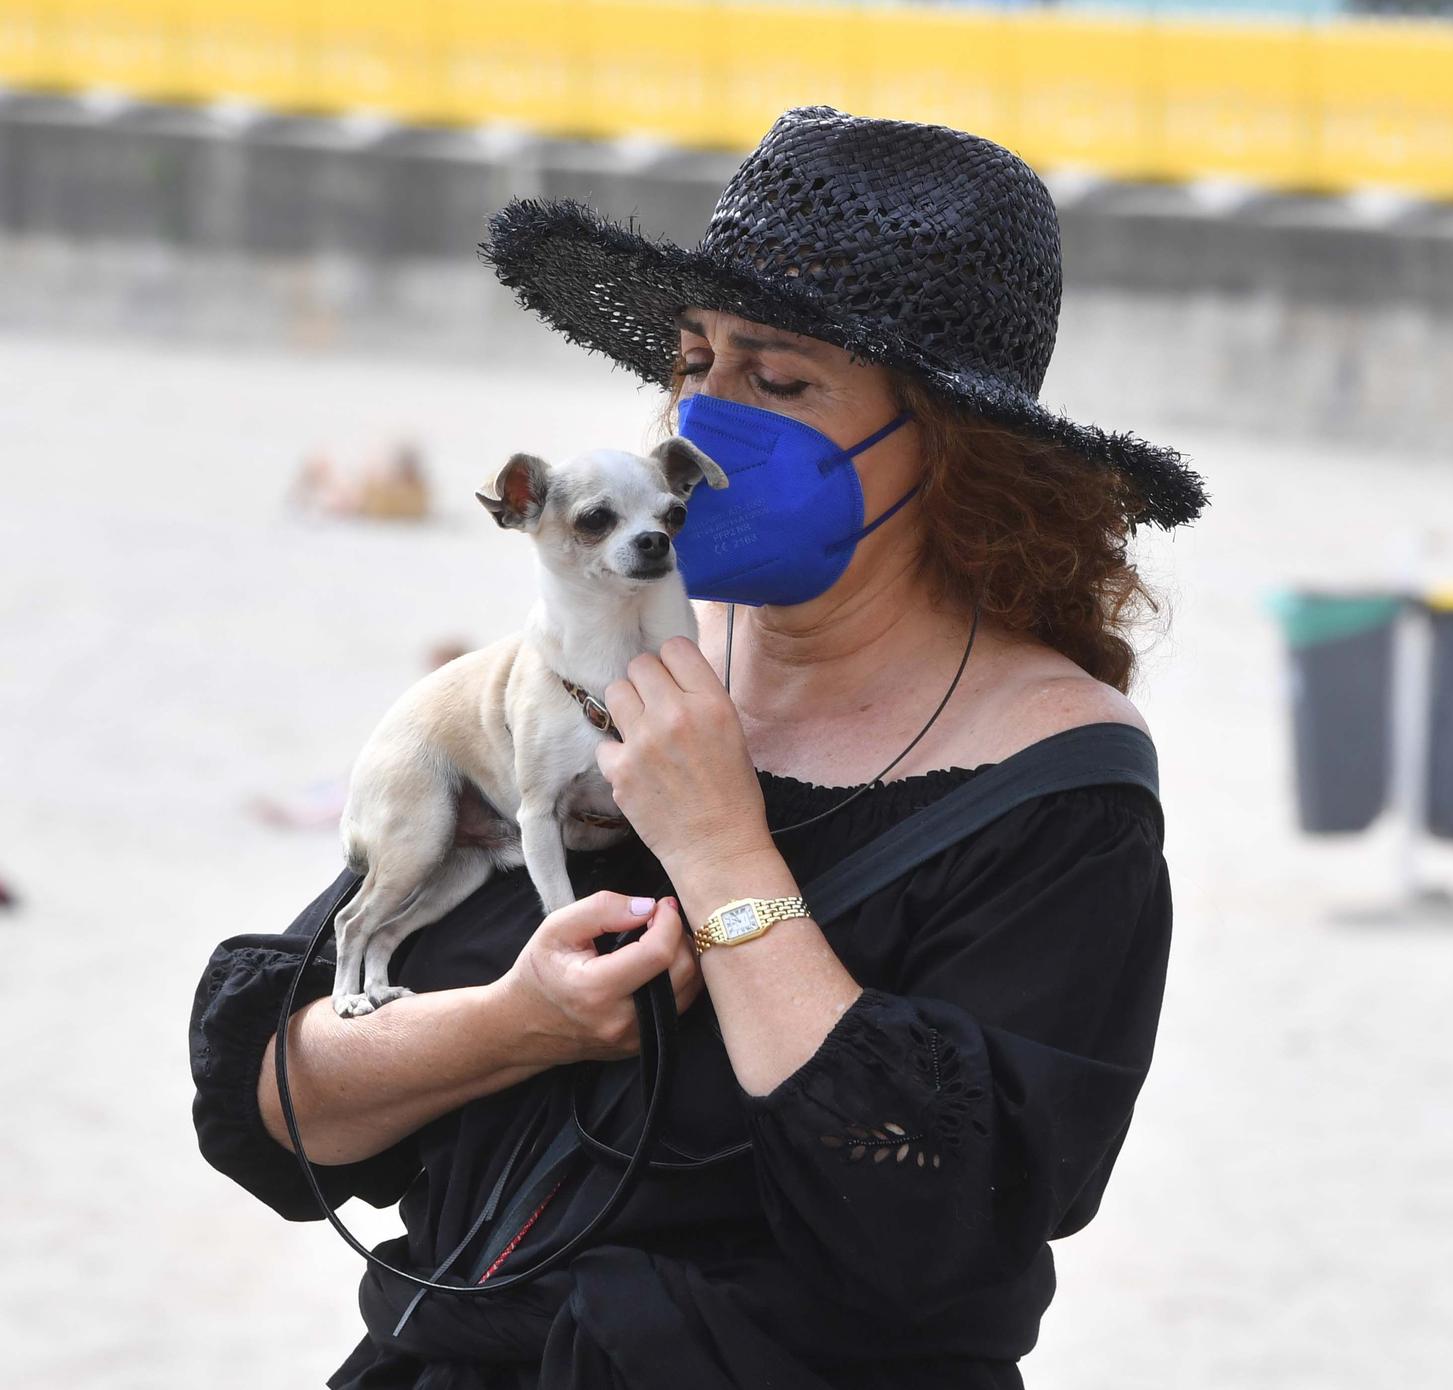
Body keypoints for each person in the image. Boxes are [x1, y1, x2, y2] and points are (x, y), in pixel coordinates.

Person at [188, 105, 1207, 1389]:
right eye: (690, 361)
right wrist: (516, 1023)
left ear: (950, 450)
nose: (706, 419)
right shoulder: (583, 671)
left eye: (777, 381)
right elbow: (275, 1105)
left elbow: (938, 1231)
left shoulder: (1058, 785)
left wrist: (721, 850)